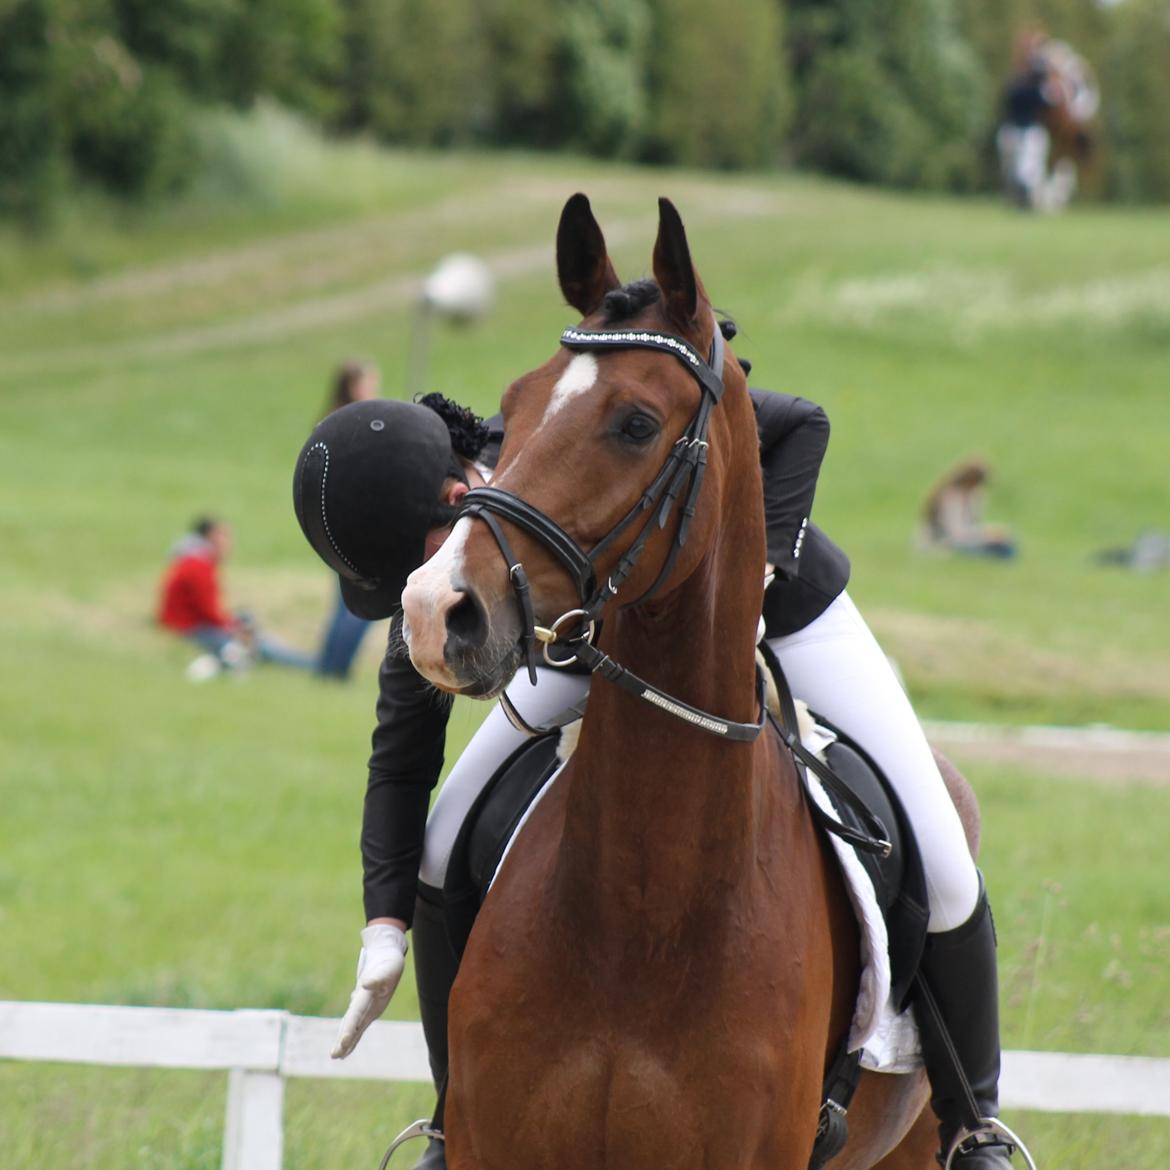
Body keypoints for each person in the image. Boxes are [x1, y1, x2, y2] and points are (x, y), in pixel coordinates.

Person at [293, 374, 1020, 1168]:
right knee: (441, 849)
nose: (417, 591)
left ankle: (973, 1126)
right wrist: (384, 927)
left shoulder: (569, 426)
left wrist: (755, 568)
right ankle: (451, 1117)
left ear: (458, 489)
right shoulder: (442, 581)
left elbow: (800, 422)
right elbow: (401, 756)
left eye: (411, 563)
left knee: (943, 854)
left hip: (783, 607)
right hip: (596, 642)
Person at [157, 516, 316, 677]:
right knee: (257, 642)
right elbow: (208, 613)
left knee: (247, 624)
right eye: (223, 536)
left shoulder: (192, 559)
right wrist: (234, 628)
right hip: (191, 628)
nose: (228, 543)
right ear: (211, 537)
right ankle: (311, 664)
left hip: (188, 622)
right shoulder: (199, 566)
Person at [315, 361, 383, 680]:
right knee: (362, 604)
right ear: (354, 386)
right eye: (370, 382)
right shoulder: (361, 425)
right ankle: (335, 670)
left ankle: (328, 668)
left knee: (344, 602)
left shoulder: (330, 423)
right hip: (360, 527)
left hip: (335, 526)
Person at [920, 458, 1017, 560]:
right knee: (995, 550)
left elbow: (973, 525)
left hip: (964, 539)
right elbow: (956, 533)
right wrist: (987, 535)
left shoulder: (974, 496)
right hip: (943, 542)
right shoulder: (951, 497)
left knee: (1007, 545)